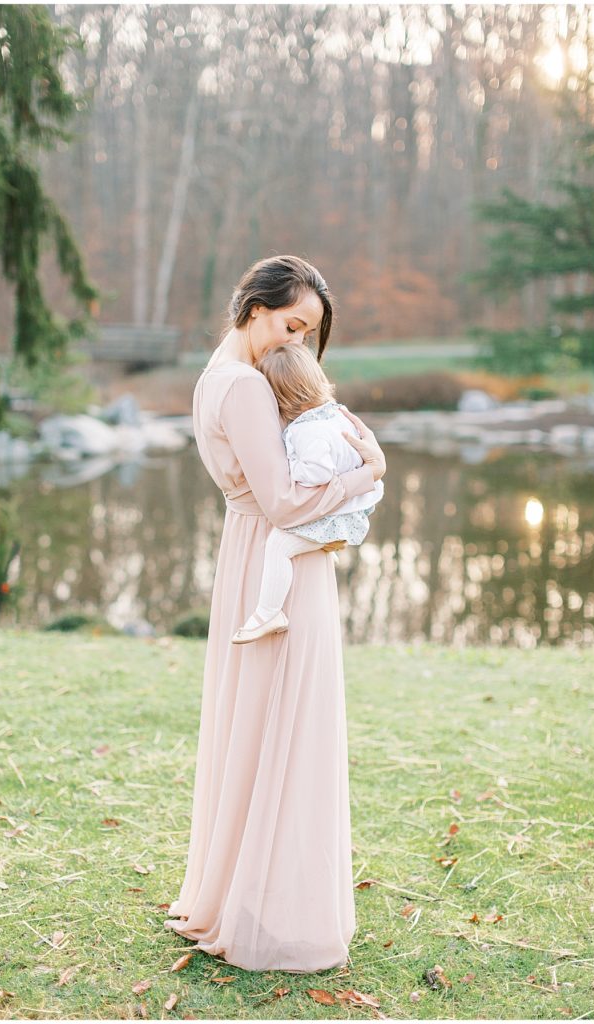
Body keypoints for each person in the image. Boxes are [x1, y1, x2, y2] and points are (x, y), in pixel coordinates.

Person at [163, 254, 386, 973]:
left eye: (308, 335)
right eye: (291, 325)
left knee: (261, 728)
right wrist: (366, 472)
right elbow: (286, 503)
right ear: (254, 307)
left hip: (254, 555)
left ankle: (248, 894)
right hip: (279, 568)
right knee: (283, 726)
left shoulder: (216, 377)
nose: (296, 344)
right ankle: (267, 913)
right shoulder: (244, 390)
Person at [231, 343, 384, 644]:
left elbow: (318, 474)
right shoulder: (338, 413)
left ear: (279, 397)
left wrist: (292, 466)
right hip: (351, 506)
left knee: (277, 546)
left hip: (336, 515)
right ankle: (319, 545)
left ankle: (268, 612)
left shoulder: (305, 431)